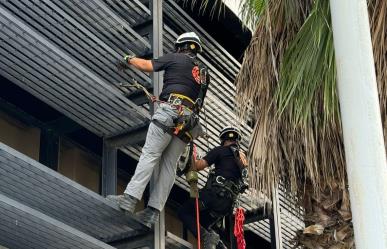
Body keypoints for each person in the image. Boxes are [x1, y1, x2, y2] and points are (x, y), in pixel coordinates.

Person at [108, 32, 210, 228]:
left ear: (181, 46)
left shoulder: (175, 57)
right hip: (188, 124)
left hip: (170, 111)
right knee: (169, 166)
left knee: (151, 154)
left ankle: (129, 199)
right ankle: (152, 213)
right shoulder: (204, 72)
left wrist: (128, 59)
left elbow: (148, 66)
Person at [178, 126, 249, 249]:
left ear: (223, 140)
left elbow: (197, 166)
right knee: (202, 225)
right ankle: (219, 246)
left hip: (213, 196)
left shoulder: (220, 150)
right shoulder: (243, 161)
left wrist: (188, 157)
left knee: (184, 212)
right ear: (237, 140)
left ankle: (207, 238)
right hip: (226, 206)